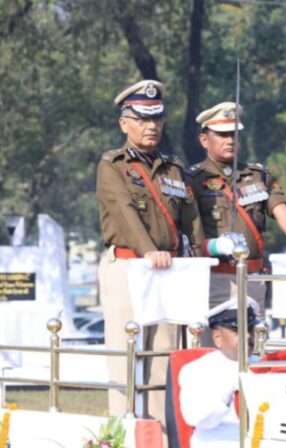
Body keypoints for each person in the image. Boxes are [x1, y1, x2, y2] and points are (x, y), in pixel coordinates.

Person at [96, 79, 205, 428]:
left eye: (156, 118)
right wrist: (148, 251)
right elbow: (124, 213)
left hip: (169, 270)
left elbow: (192, 220)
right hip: (129, 265)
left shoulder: (173, 169)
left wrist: (200, 259)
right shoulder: (112, 165)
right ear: (124, 123)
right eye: (142, 118)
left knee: (163, 359)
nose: (151, 126)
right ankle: (124, 439)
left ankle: (162, 443)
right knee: (125, 358)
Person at [186, 102, 286, 318]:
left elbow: (282, 212)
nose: (230, 140)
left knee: (254, 337)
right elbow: (187, 230)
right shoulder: (193, 179)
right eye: (222, 135)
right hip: (214, 280)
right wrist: (213, 246)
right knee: (216, 338)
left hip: (253, 279)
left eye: (234, 134)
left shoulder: (257, 176)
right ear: (204, 140)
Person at [178, 301, 259, 448]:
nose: (247, 337)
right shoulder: (196, 370)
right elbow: (196, 418)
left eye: (250, 330)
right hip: (219, 447)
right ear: (218, 338)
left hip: (262, 441)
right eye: (237, 331)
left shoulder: (264, 367)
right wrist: (227, 392)